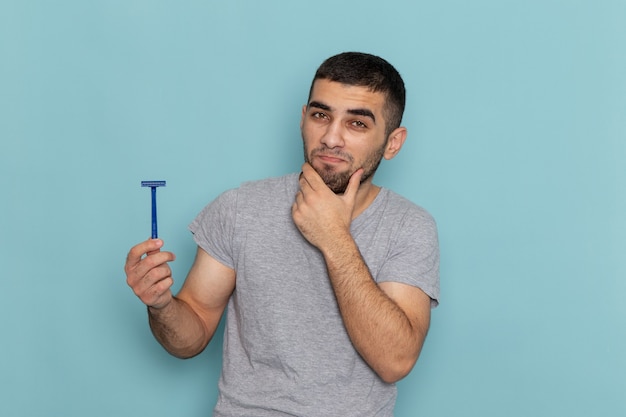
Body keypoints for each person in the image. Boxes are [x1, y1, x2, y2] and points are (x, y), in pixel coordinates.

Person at [125, 52, 439, 416]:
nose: (331, 138)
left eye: (357, 124)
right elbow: (189, 338)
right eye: (321, 116)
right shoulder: (240, 208)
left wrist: (334, 238)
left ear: (393, 142)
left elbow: (395, 360)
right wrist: (161, 305)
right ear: (303, 119)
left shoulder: (409, 226)